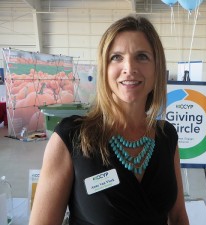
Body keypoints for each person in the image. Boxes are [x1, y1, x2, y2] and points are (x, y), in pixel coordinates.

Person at [29, 15, 189, 225]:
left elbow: (178, 217)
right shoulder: (71, 137)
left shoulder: (167, 135)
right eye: (116, 57)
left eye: (142, 56)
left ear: (157, 68)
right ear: (104, 69)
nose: (129, 68)